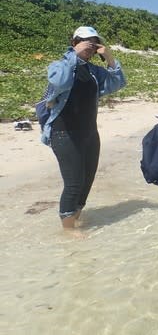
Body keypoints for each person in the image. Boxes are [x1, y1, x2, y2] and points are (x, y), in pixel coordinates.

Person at [40, 26, 126, 229]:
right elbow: (59, 82)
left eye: (93, 42)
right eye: (84, 41)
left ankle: (74, 219)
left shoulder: (95, 72)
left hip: (89, 134)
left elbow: (118, 83)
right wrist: (74, 55)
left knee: (87, 181)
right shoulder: (59, 65)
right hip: (63, 133)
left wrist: (111, 59)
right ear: (74, 43)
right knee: (73, 183)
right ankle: (67, 230)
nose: (89, 45)